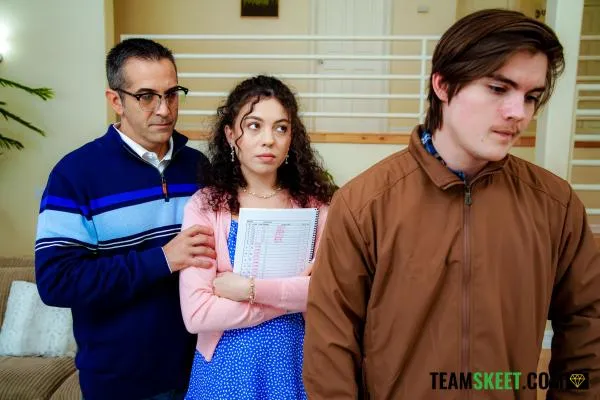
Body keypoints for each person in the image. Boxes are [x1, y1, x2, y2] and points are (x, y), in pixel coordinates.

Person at [303, 8, 600, 399]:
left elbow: (586, 328)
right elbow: (330, 346)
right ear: (443, 85)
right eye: (498, 88)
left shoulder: (555, 205)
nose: (518, 113)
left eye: (531, 97)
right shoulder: (365, 204)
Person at [34, 38, 216, 400]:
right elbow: (57, 282)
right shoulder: (75, 175)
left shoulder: (199, 167)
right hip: (121, 382)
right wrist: (162, 259)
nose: (164, 109)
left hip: (200, 370)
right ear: (116, 100)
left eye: (172, 94)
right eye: (146, 96)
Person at [178, 75, 337, 399]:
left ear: (292, 138)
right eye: (254, 126)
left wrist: (247, 289)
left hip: (296, 364)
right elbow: (197, 314)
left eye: (281, 128)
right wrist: (289, 297)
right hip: (224, 369)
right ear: (230, 135)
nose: (268, 140)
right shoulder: (206, 206)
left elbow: (326, 293)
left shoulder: (316, 207)